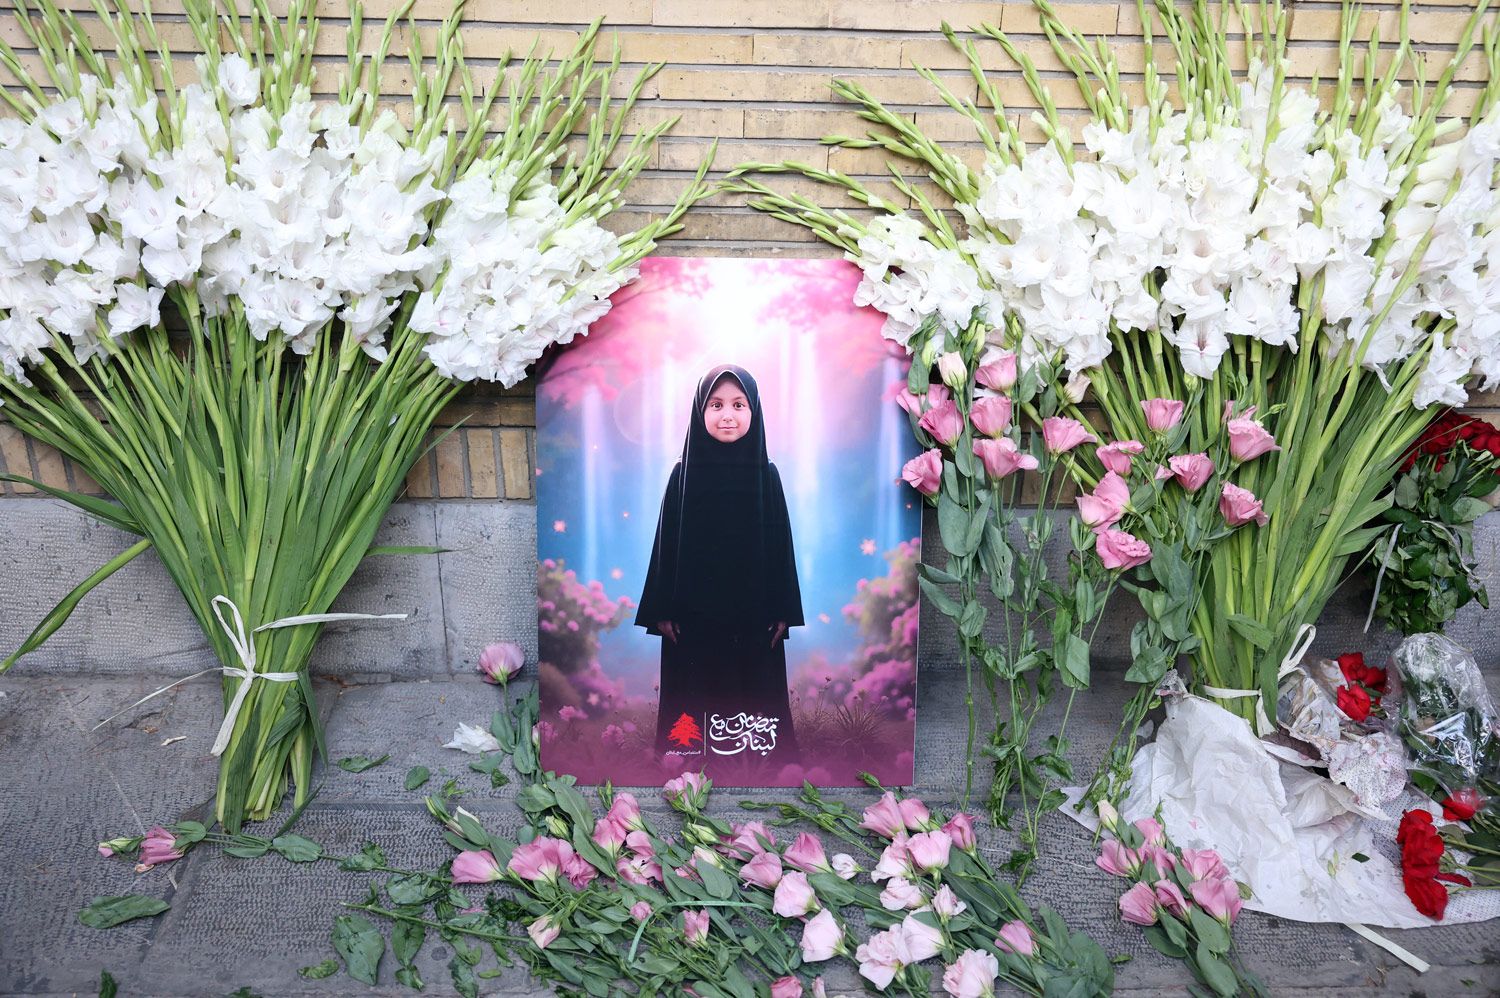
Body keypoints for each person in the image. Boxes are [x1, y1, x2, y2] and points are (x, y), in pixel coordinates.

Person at [636, 364, 804, 770]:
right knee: (693, 696)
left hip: (753, 614)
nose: (727, 415)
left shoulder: (767, 475)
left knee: (755, 691)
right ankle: (687, 763)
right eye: (716, 405)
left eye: (738, 405)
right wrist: (661, 610)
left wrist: (783, 610)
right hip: (694, 616)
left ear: (754, 411)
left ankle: (763, 764)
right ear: (700, 411)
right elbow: (665, 545)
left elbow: (781, 546)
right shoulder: (683, 474)